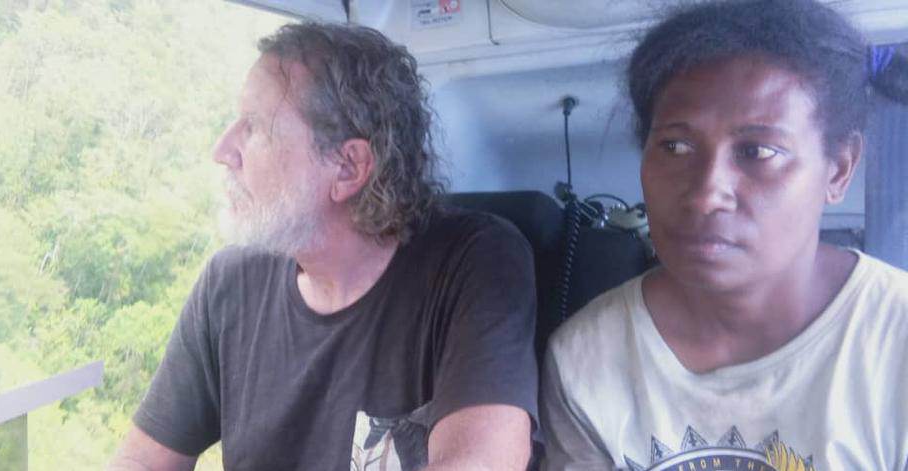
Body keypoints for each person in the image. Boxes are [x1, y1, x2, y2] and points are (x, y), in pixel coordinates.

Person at [109, 22, 538, 471]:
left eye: (255, 128)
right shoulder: (228, 284)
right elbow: (141, 462)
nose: (223, 150)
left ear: (348, 167)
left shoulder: (476, 261)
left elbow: (480, 462)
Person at [540, 0, 908, 469]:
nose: (706, 193)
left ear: (838, 169)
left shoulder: (895, 344)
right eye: (675, 146)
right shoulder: (584, 360)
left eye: (757, 150)